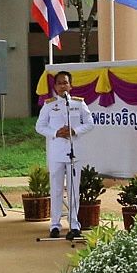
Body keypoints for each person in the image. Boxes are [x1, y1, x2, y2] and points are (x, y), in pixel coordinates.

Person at [35, 71, 95, 240]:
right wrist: (55, 133)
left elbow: (90, 123)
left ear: (71, 85)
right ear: (55, 87)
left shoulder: (78, 104)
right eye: (59, 83)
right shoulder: (49, 105)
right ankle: (55, 224)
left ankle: (74, 224)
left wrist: (74, 131)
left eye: (65, 83)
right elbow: (39, 126)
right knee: (56, 189)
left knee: (74, 189)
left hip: (74, 152)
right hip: (56, 152)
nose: (63, 86)